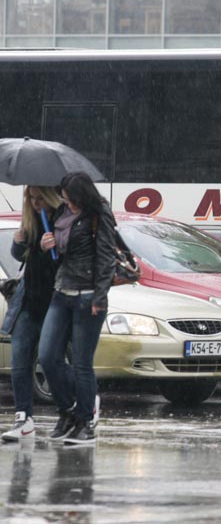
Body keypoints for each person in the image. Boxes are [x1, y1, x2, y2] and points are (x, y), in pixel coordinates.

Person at [38, 172, 117, 446]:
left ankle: (85, 423)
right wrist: (46, 245)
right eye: (66, 200)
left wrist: (100, 296)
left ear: (83, 196)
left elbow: (107, 257)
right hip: (61, 292)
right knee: (47, 357)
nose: (68, 205)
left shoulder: (99, 214)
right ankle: (67, 412)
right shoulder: (61, 212)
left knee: (82, 363)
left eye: (72, 201)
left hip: (87, 297)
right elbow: (57, 256)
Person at [0, 186, 61, 443]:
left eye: (40, 198)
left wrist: (51, 248)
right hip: (28, 299)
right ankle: (23, 417)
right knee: (20, 359)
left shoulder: (61, 221)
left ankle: (76, 407)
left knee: (51, 360)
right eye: (31, 199)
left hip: (54, 300)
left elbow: (62, 262)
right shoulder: (32, 221)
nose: (36, 204)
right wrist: (19, 242)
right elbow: (20, 257)